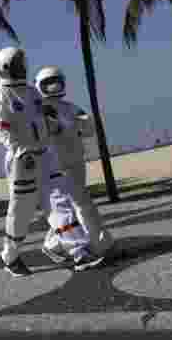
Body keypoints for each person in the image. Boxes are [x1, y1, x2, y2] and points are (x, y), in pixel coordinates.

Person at [0, 47, 106, 277]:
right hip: (22, 159)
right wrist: (20, 152)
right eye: (17, 64)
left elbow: (46, 117)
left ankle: (79, 251)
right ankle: (10, 256)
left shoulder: (32, 92)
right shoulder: (0, 96)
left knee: (59, 202)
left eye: (21, 63)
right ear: (5, 68)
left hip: (45, 154)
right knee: (21, 212)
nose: (21, 67)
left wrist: (60, 125)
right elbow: (3, 130)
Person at [35, 65, 114, 261]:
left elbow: (87, 128)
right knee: (81, 204)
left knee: (73, 207)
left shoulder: (70, 107)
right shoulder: (41, 111)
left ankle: (54, 244)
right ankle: (100, 244)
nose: (53, 87)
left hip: (76, 161)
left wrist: (77, 124)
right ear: (39, 86)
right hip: (57, 165)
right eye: (48, 83)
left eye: (56, 82)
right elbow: (48, 129)